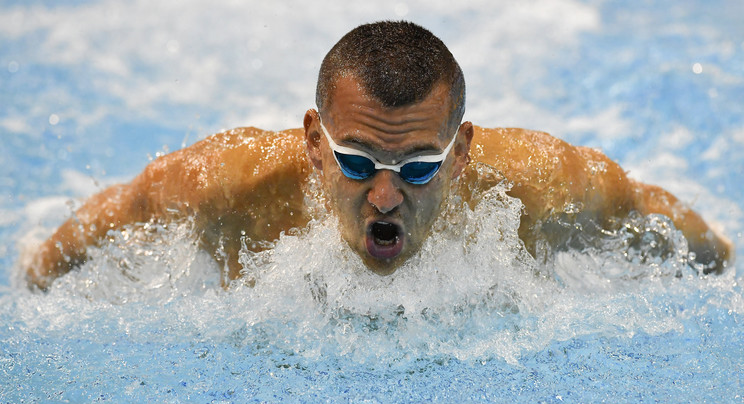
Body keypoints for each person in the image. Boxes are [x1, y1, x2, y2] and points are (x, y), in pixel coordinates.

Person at [25, 21, 733, 290]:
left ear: (460, 156)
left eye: (418, 168)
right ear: (312, 143)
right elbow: (115, 213)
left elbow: (669, 224)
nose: (386, 198)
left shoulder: (544, 187)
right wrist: (31, 285)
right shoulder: (226, 184)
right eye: (357, 162)